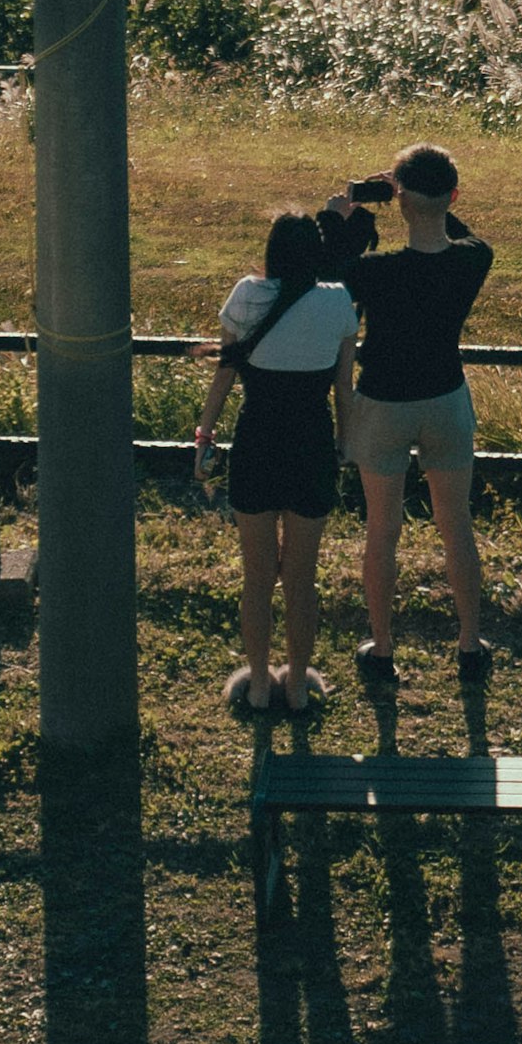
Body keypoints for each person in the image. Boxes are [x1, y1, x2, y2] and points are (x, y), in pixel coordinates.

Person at [338, 140, 494, 691]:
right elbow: (463, 231)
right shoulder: (474, 259)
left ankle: (382, 651)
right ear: (452, 195)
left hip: (382, 402)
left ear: (399, 201)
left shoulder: (376, 272)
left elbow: (330, 267)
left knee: (383, 531)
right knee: (457, 528)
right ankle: (470, 647)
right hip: (445, 399)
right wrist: (426, 199)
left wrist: (344, 212)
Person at [195, 206, 358, 722]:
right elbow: (343, 392)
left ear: (270, 252)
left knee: (258, 577)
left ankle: (260, 686)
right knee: (303, 579)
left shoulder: (246, 295)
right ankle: (301, 689)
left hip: (257, 443)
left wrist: (203, 438)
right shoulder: (338, 304)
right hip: (311, 446)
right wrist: (344, 447)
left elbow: (223, 377)